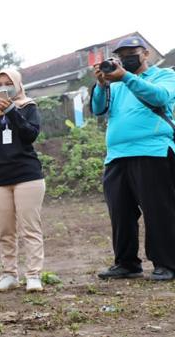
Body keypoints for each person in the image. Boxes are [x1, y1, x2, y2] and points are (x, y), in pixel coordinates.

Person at [91, 36, 175, 281]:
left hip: (153, 151)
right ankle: (126, 263)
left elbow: (159, 98)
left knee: (158, 210)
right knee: (121, 212)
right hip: (117, 156)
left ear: (145, 53)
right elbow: (98, 109)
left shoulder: (164, 76)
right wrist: (101, 85)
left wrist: (126, 77)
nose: (126, 57)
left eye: (132, 52)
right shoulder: (114, 84)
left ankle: (167, 263)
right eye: (121, 54)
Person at [0, 68, 46, 293]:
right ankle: (9, 274)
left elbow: (30, 134)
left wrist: (12, 110)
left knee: (30, 228)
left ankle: (33, 275)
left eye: (8, 82)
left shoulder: (28, 106)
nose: (4, 87)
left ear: (18, 84)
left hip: (27, 174)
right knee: (5, 230)